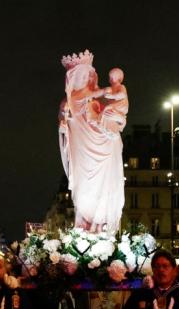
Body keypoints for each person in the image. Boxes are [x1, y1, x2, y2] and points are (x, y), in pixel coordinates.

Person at [59, 49, 125, 233]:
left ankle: (101, 224)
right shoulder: (67, 102)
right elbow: (64, 126)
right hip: (81, 147)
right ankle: (85, 222)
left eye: (84, 74)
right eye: (76, 75)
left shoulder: (103, 96)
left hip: (104, 145)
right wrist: (63, 127)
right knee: (82, 187)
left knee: (104, 185)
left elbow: (120, 117)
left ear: (91, 75)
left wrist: (115, 121)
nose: (81, 78)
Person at [98, 67, 129, 136]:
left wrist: (113, 96)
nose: (111, 79)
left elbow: (122, 94)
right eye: (110, 77)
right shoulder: (109, 89)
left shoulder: (121, 86)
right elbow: (102, 98)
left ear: (120, 79)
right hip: (114, 107)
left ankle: (105, 126)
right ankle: (104, 126)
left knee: (108, 108)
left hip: (120, 105)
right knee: (107, 110)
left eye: (113, 77)